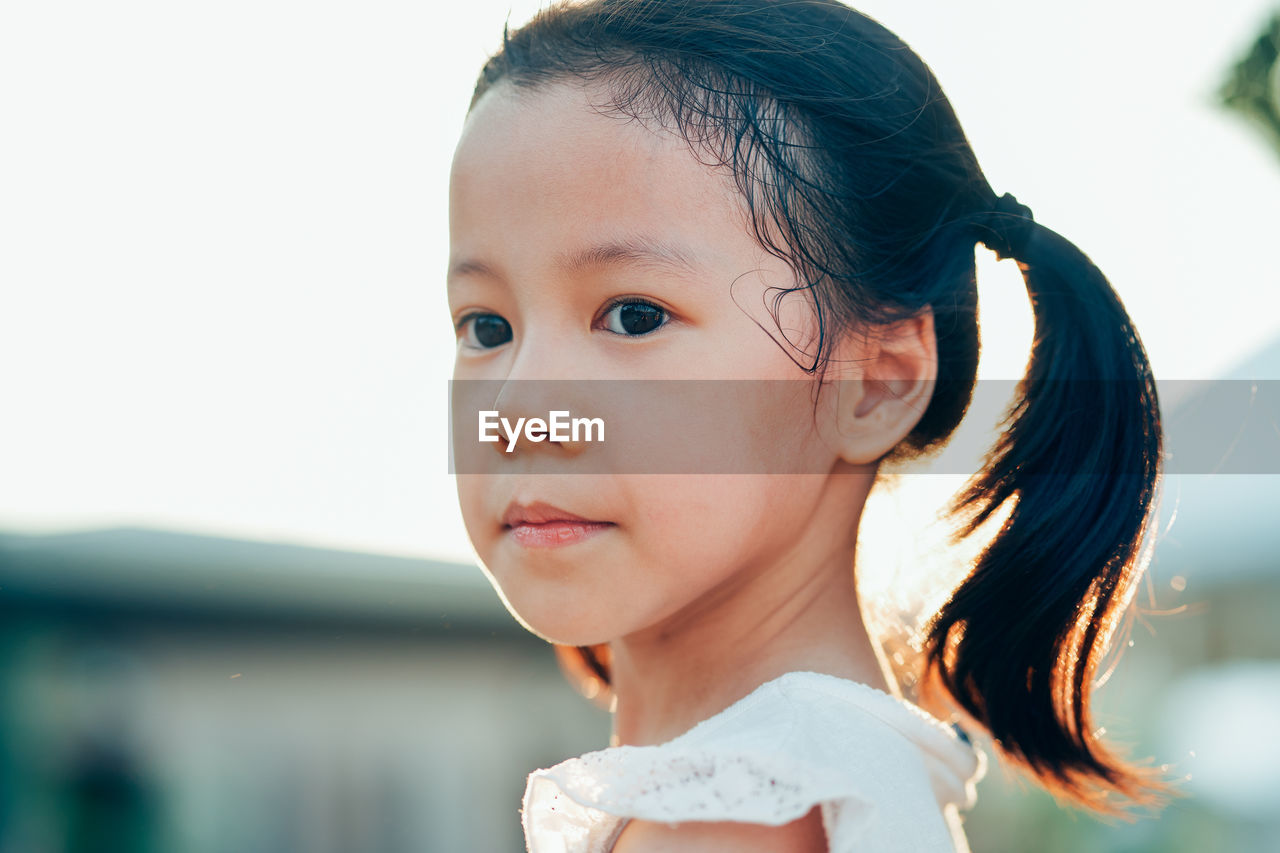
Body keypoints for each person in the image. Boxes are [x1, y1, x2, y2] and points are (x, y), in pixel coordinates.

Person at [446, 1, 1167, 850]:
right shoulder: (817, 776)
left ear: (876, 381)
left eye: (634, 315)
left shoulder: (741, 816)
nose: (523, 410)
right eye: (486, 327)